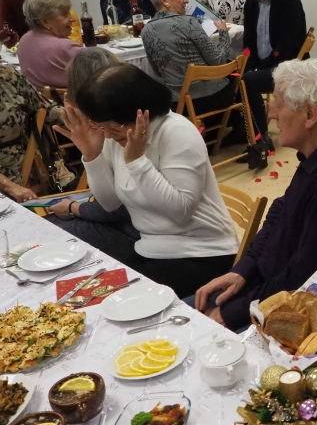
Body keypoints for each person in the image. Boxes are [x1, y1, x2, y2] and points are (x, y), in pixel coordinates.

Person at [191, 58, 317, 331]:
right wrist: (243, 270)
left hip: (300, 310)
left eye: (279, 104)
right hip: (271, 284)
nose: (271, 113)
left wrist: (230, 314)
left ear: (310, 115)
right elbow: (281, 211)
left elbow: (306, 281)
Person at [52, 64, 238, 298]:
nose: (107, 134)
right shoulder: (118, 135)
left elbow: (180, 212)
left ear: (141, 112)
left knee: (111, 299)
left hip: (201, 251)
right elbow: (110, 203)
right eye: (101, 127)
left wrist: (137, 162)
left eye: (112, 127)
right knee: (80, 285)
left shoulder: (177, 132)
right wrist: (92, 155)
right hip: (150, 247)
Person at [47, 48, 135, 234]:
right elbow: (110, 203)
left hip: (134, 229)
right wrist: (90, 154)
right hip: (128, 223)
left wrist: (73, 208)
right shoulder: (109, 125)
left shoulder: (121, 129)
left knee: (49, 229)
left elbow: (117, 210)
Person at [242, 0, 307, 151]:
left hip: (287, 66)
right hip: (265, 67)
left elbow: (288, 44)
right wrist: (251, 66)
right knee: (235, 79)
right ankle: (242, 132)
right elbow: (249, 43)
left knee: (247, 82)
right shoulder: (251, 4)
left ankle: (261, 140)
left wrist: (261, 67)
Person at [141, 0, 233, 113]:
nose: (186, 0)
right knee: (243, 82)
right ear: (164, 0)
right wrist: (223, 33)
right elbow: (218, 61)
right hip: (207, 98)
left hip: (177, 104)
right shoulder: (188, 22)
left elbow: (157, 71)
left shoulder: (146, 30)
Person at [0, 62, 60, 203]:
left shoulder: (7, 75)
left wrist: (88, 122)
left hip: (16, 165)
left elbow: (45, 108)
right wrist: (9, 186)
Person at [17, 0, 82, 90]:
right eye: (65, 14)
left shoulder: (24, 40)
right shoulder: (67, 47)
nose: (73, 18)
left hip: (39, 99)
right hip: (69, 99)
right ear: (45, 21)